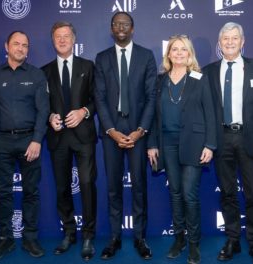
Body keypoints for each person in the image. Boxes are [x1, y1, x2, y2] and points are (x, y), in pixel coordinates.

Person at [202, 22, 253, 264]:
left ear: (243, 42)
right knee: (227, 193)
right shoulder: (209, 71)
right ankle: (233, 240)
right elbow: (203, 111)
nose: (230, 42)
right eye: (226, 38)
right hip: (221, 139)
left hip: (250, 138)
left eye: (235, 38)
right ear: (219, 43)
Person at [0, 31, 49, 261]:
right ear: (6, 46)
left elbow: (43, 111)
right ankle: (5, 239)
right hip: (0, 141)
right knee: (3, 193)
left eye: (25, 45)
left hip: (30, 140)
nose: (20, 48)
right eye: (16, 44)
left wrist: (37, 139)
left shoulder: (37, 75)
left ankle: (30, 237)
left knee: (31, 192)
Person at [147, 35, 217, 264]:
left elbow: (210, 114)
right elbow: (153, 117)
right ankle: (179, 239)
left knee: (189, 194)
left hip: (194, 143)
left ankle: (194, 243)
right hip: (166, 143)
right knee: (175, 193)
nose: (178, 53)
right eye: (174, 49)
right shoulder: (160, 80)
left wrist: (210, 145)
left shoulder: (199, 78)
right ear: (168, 54)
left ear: (190, 54)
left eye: (183, 50)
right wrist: (152, 144)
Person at [94, 12, 157, 260]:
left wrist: (140, 131)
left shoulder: (146, 56)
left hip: (138, 131)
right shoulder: (102, 58)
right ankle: (114, 238)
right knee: (113, 188)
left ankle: (140, 238)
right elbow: (99, 97)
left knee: (139, 187)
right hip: (112, 133)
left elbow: (152, 96)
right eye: (117, 24)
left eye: (126, 24)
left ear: (133, 29)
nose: (121, 27)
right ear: (112, 29)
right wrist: (112, 131)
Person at [41, 21, 98, 260]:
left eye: (66, 36)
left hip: (83, 136)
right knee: (63, 187)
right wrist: (49, 117)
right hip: (58, 138)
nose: (62, 40)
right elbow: (40, 106)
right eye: (58, 37)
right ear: (53, 41)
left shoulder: (89, 66)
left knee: (86, 184)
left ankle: (88, 236)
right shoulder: (44, 71)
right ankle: (69, 232)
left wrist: (84, 111)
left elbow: (98, 101)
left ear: (74, 40)